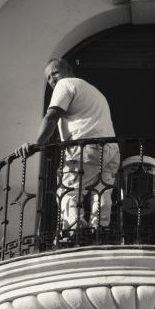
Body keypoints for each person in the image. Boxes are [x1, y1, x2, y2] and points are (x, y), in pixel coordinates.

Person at [17, 58, 120, 231]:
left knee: (69, 191)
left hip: (86, 148)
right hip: (110, 150)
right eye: (48, 77)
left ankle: (74, 231)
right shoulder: (92, 90)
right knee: (101, 191)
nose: (52, 80)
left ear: (67, 71)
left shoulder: (65, 84)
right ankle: (100, 230)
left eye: (54, 73)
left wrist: (36, 145)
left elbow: (52, 115)